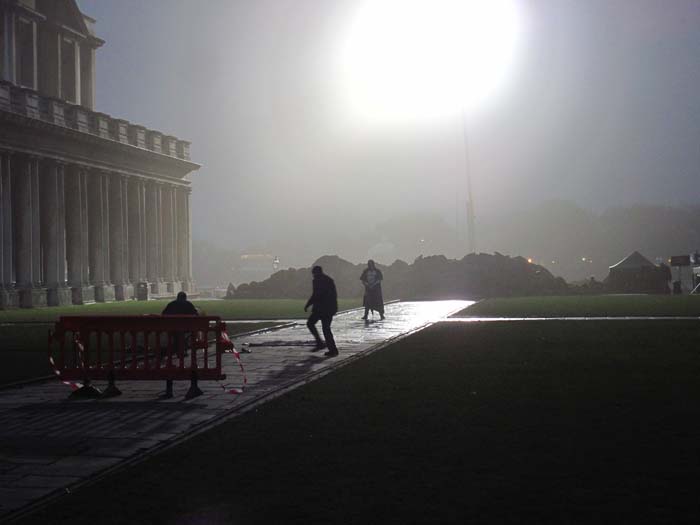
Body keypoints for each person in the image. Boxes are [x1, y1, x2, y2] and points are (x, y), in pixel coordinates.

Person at [304, 265, 339, 357]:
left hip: (323, 308)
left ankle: (328, 347)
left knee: (321, 327)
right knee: (322, 327)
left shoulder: (319, 281)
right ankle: (328, 346)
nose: (313, 276)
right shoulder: (328, 280)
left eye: (314, 274)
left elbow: (316, 294)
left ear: (316, 273)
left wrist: (308, 304)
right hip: (326, 308)